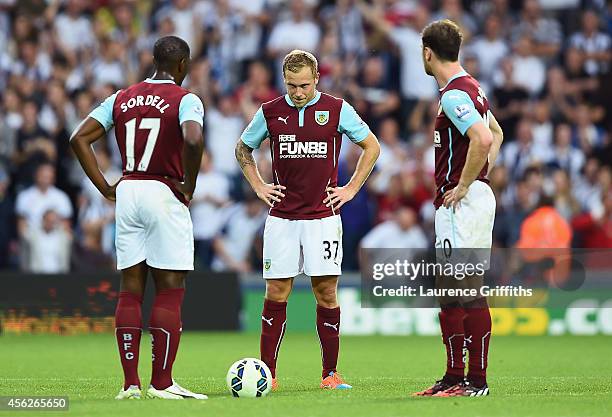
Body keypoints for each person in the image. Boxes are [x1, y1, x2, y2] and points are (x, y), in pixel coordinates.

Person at [70, 36, 206, 400]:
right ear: (182, 65)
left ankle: (130, 383)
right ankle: (162, 382)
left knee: (130, 287)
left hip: (128, 190)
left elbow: (78, 138)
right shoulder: (186, 98)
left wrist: (104, 187)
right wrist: (189, 185)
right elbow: (192, 140)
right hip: (163, 190)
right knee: (170, 287)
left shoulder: (121, 96)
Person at [235, 50, 380, 390]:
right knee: (276, 290)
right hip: (282, 217)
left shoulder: (336, 109)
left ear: (317, 79)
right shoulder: (270, 112)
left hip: (323, 217)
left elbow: (371, 146)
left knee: (326, 292)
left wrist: (350, 189)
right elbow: (243, 149)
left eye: (303, 85)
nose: (297, 93)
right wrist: (258, 186)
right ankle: (268, 375)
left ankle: (330, 374)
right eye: (291, 86)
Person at [412, 20, 504, 397]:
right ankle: (456, 378)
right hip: (473, 198)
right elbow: (496, 133)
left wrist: (466, 183)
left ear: (427, 52)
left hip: (460, 201)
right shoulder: (474, 88)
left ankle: (473, 381)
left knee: (462, 290)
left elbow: (482, 137)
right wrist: (482, 175)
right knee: (455, 289)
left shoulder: (452, 94)